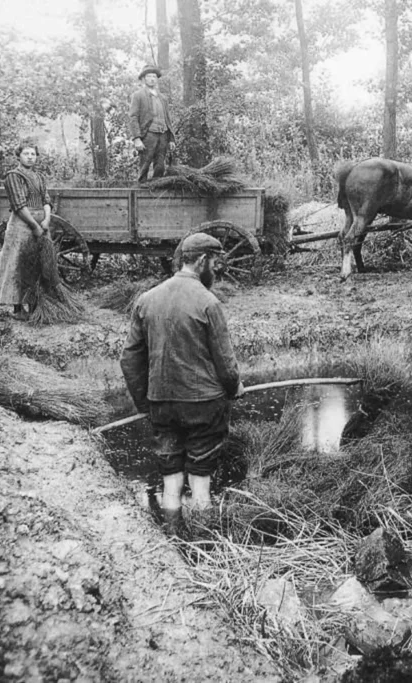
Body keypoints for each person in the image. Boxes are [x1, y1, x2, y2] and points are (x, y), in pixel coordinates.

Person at [120, 233, 245, 528]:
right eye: (215, 265)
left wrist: (146, 403)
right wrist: (234, 388)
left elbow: (129, 360)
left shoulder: (146, 300)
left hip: (161, 404)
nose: (215, 272)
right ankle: (202, 549)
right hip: (204, 407)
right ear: (201, 261)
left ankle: (173, 541)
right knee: (200, 483)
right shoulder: (208, 303)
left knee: (171, 482)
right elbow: (226, 366)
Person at [0, 143, 52, 319]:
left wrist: (46, 220)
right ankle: (17, 309)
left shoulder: (39, 177)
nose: (30, 157)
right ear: (18, 156)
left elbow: (46, 200)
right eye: (26, 154)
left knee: (38, 264)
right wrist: (35, 226)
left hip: (40, 221)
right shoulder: (13, 176)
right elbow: (19, 205)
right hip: (22, 223)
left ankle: (35, 306)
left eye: (33, 154)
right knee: (17, 262)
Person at [128, 64, 175, 183]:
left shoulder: (163, 98)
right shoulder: (138, 96)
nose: (152, 79)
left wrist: (171, 139)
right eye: (149, 76)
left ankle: (156, 191)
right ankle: (140, 194)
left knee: (160, 166)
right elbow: (133, 117)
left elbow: (168, 119)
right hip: (148, 134)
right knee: (145, 164)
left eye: (154, 76)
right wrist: (136, 138)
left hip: (163, 134)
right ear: (144, 79)